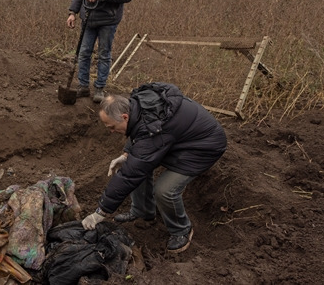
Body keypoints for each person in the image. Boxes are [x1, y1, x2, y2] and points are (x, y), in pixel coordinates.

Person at [81, 82, 227, 253]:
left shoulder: (154, 125)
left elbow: (133, 170)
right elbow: (142, 130)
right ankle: (143, 211)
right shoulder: (138, 104)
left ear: (125, 116)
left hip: (202, 147)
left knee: (164, 190)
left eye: (112, 127)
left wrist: (101, 211)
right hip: (181, 140)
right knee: (136, 165)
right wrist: (127, 154)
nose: (111, 131)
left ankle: (181, 230)